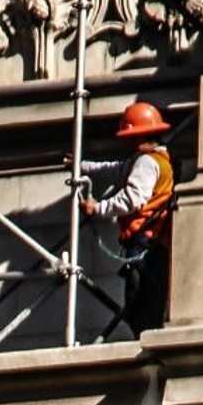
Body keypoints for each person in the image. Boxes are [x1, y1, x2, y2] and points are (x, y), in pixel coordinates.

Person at [75, 101, 175, 334]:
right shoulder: (148, 161)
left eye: (129, 137)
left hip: (146, 243)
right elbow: (115, 169)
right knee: (140, 302)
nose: (125, 142)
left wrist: (97, 208)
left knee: (141, 303)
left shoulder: (147, 163)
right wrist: (82, 166)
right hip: (150, 242)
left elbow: (132, 199)